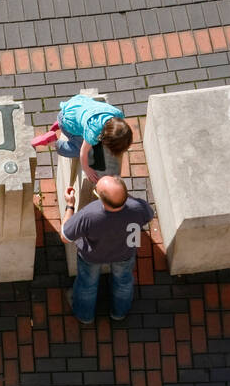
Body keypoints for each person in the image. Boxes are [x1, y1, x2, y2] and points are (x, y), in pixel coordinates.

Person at [60, 175, 153, 324]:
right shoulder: (138, 207)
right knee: (123, 282)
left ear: (101, 199)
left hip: (92, 257)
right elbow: (149, 215)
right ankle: (119, 313)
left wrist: (70, 205)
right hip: (125, 253)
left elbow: (65, 235)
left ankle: (85, 316)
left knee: (87, 285)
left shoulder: (89, 213)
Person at [33, 94, 130, 184]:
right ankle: (53, 142)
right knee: (80, 149)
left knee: (80, 124)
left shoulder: (118, 114)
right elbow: (82, 153)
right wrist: (87, 169)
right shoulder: (93, 132)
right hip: (67, 120)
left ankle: (60, 123)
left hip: (76, 105)